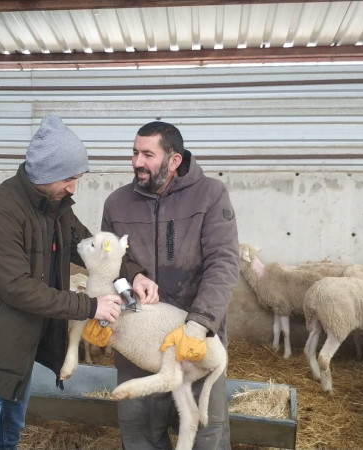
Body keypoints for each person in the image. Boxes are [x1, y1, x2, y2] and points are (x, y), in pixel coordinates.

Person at [0, 114, 124, 450]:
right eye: (68, 178)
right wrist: (90, 306)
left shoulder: (55, 208)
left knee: (7, 441)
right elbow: (17, 287)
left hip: (16, 356)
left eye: (77, 177)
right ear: (45, 172)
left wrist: (131, 274)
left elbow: (90, 249)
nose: (73, 188)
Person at [101, 121, 240, 449]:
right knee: (140, 436)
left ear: (174, 160)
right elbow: (112, 264)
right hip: (139, 346)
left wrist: (198, 325)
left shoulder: (211, 195)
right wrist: (127, 284)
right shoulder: (117, 204)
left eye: (148, 154)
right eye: (134, 153)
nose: (137, 162)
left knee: (207, 433)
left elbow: (223, 264)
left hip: (196, 342)